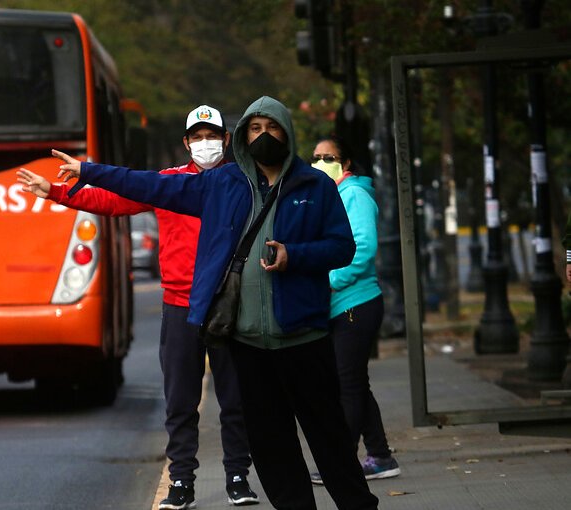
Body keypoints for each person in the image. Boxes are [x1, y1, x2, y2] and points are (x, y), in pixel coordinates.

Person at [35, 96, 380, 510]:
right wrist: (85, 174)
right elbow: (144, 186)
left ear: (285, 133)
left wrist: (295, 256)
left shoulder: (314, 186)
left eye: (272, 128)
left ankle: (317, 495)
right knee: (267, 442)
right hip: (239, 335)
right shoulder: (221, 185)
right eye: (256, 129)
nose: (263, 136)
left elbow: (342, 248)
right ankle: (223, 488)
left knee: (327, 439)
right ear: (241, 136)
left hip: (303, 338)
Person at [18, 105, 259, 509]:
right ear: (185, 143)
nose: (205, 143)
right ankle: (181, 483)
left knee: (235, 397)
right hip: (180, 306)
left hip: (227, 303)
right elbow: (115, 199)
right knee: (180, 400)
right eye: (197, 137)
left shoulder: (239, 184)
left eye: (211, 135)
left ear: (226, 140)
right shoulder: (168, 184)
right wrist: (57, 192)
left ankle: (238, 477)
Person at [308, 136, 400, 484]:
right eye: (315, 157)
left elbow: (363, 247)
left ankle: (340, 465)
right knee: (355, 384)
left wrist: (330, 280)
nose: (319, 163)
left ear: (345, 163)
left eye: (327, 157)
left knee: (345, 387)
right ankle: (380, 455)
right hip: (342, 307)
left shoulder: (354, 195)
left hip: (355, 304)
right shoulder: (330, 196)